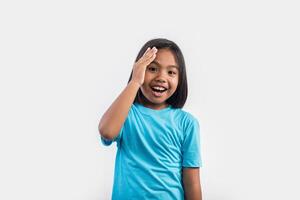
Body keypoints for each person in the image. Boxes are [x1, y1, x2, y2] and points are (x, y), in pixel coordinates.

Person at [98, 38, 203, 200]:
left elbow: (192, 181)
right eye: (152, 69)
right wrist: (135, 81)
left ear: (180, 79)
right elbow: (107, 131)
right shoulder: (125, 113)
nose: (161, 77)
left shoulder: (187, 123)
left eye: (171, 72)